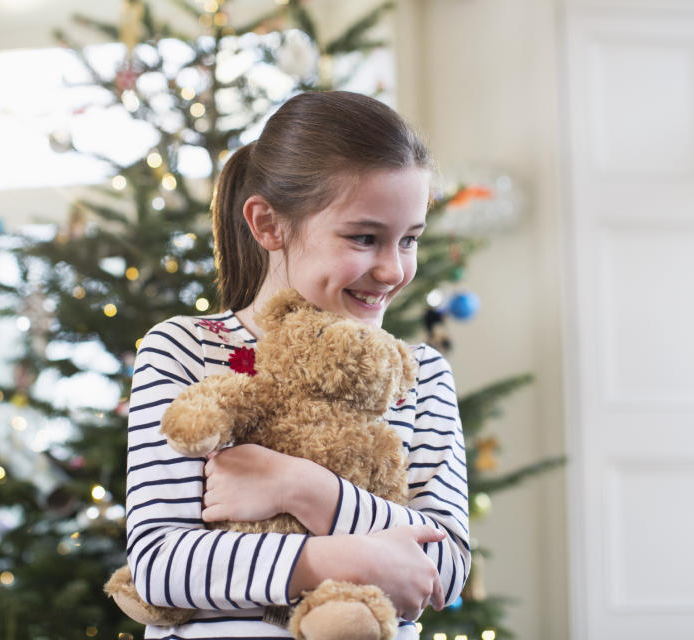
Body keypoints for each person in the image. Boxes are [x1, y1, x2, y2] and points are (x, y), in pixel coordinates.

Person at [125, 90, 470, 639]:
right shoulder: (182, 349)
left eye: (408, 241)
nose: (392, 270)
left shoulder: (417, 374)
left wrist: (304, 488)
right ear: (268, 225)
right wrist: (344, 559)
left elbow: (445, 567)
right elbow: (160, 568)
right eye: (364, 238)